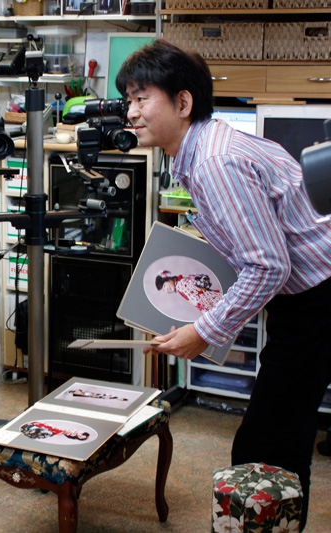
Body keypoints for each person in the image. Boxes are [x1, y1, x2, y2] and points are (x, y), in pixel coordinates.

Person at [117, 39, 331, 531]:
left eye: (142, 98)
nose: (131, 112)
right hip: (308, 295)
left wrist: (205, 331)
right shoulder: (208, 148)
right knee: (287, 435)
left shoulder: (214, 162)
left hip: (317, 299)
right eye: (129, 99)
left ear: (183, 102)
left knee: (264, 448)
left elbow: (268, 266)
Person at [155, 270, 222, 312]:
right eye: (163, 290)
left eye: (164, 286)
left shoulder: (181, 285)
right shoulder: (180, 284)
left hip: (213, 303)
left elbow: (199, 298)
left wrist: (207, 311)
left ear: (168, 278)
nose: (166, 289)